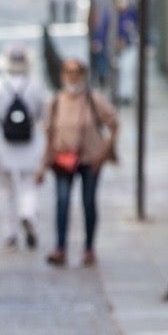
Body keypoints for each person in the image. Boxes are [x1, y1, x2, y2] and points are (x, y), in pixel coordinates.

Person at [39, 57, 120, 268]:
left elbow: (114, 124)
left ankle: (89, 247)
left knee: (88, 202)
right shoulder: (55, 102)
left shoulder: (94, 100)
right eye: (68, 72)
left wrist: (103, 153)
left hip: (89, 160)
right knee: (63, 202)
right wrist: (43, 164)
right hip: (63, 160)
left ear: (83, 75)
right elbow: (49, 135)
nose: (72, 76)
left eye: (76, 72)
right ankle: (60, 247)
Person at [0, 45, 48, 250]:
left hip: (3, 144)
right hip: (29, 143)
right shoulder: (35, 85)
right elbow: (43, 115)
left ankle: (10, 234)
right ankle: (28, 215)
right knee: (28, 185)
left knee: (6, 191)